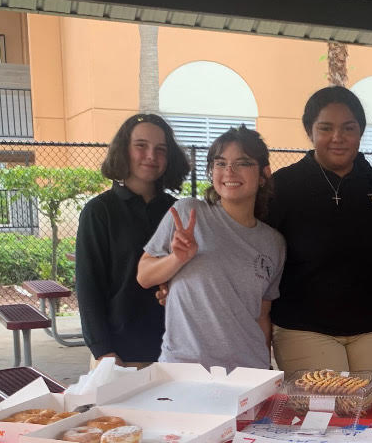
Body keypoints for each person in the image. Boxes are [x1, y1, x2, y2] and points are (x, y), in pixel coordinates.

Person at [267, 87, 372, 374]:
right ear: (309, 131)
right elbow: (252, 249)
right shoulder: (284, 186)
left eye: (348, 128)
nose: (338, 138)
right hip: (305, 329)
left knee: (365, 414)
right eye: (326, 128)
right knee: (327, 415)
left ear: (360, 132)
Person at [137, 126, 285, 371]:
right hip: (184, 368)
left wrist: (264, 372)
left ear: (263, 174)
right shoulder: (187, 213)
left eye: (243, 162)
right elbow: (144, 275)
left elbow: (262, 316)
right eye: (220, 163)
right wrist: (177, 259)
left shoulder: (273, 243)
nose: (229, 171)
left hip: (247, 372)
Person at [75, 113, 190, 368]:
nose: (151, 155)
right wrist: (103, 349)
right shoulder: (99, 211)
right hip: (119, 352)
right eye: (141, 146)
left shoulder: (179, 212)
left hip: (176, 351)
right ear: (123, 151)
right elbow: (88, 286)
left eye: (161, 149)